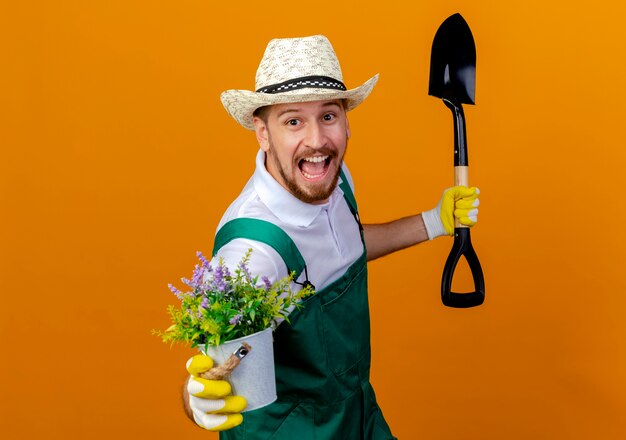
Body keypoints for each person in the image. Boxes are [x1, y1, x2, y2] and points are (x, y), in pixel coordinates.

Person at [181, 35, 480, 439]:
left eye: (328, 116)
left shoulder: (333, 181)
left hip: (356, 412)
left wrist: (432, 221)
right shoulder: (253, 252)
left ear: (346, 121)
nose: (317, 141)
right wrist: (196, 398)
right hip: (291, 432)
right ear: (262, 133)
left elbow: (344, 252)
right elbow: (219, 367)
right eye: (293, 121)